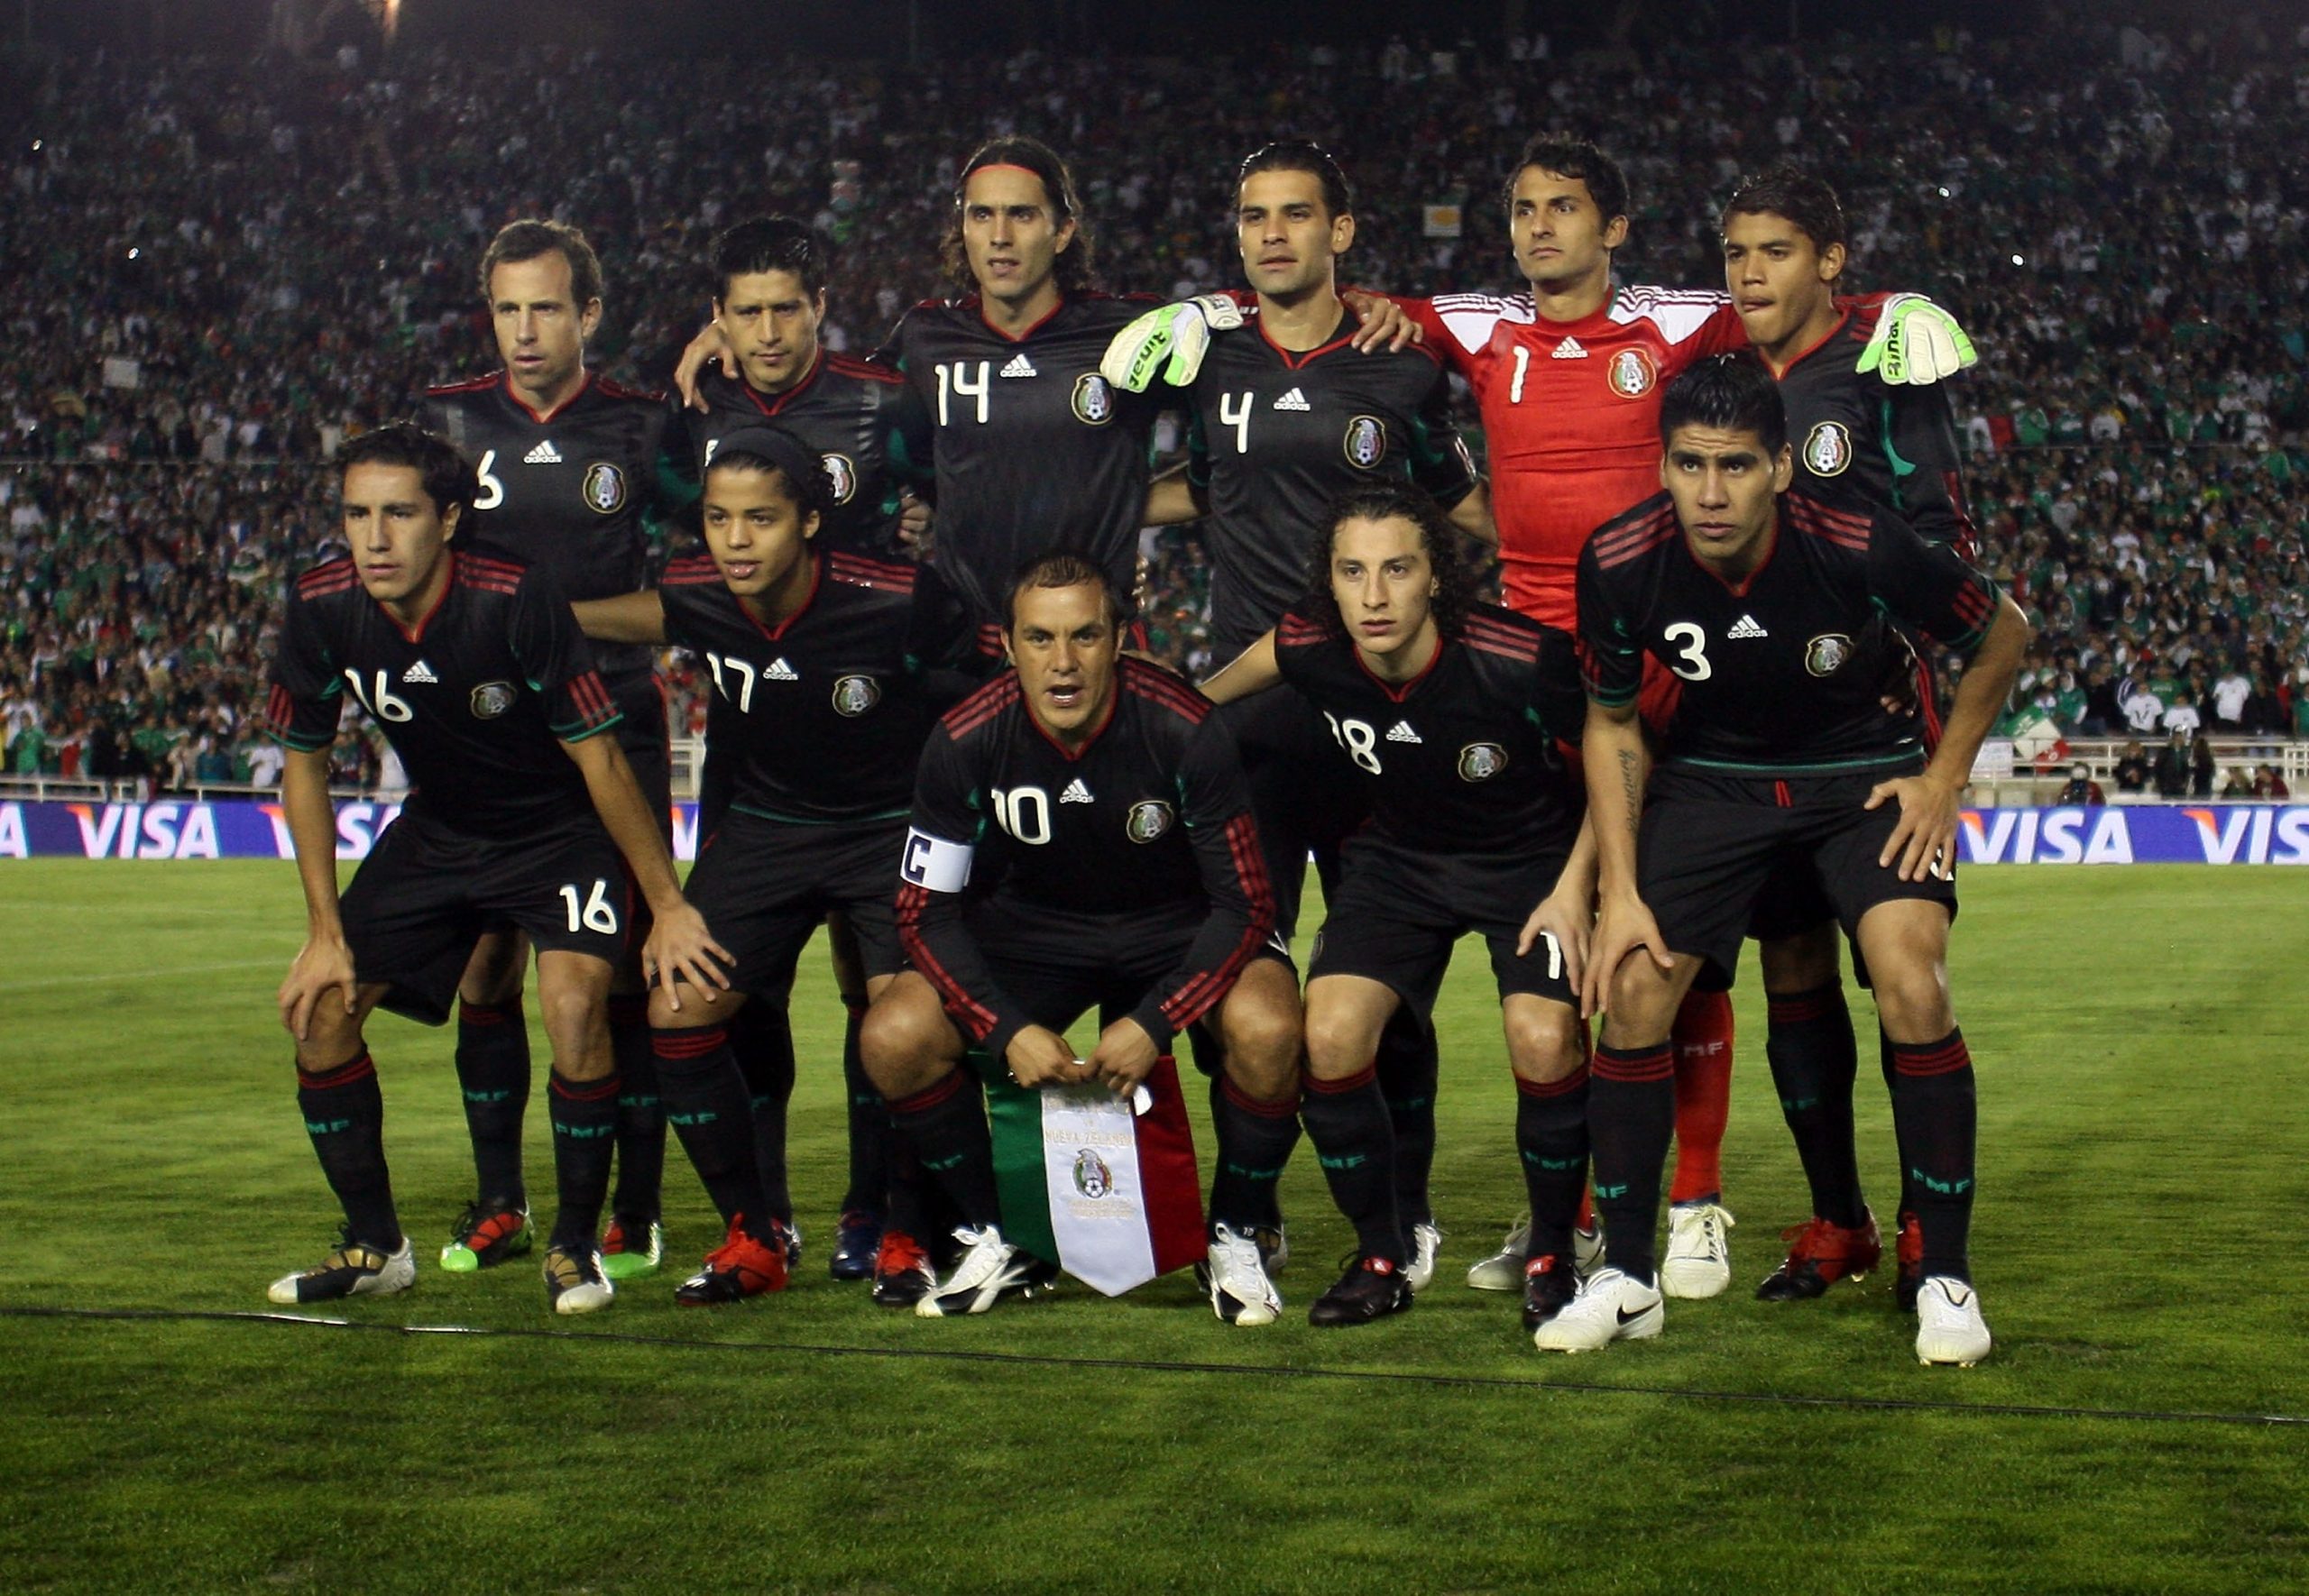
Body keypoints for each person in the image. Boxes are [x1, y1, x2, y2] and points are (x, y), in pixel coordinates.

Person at [1553, 353, 2027, 1366]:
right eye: (1688, 465)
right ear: (1663, 464)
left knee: (1913, 981)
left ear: (1780, 465)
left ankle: (1944, 1273)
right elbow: (1611, 723)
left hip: (1858, 776)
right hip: (1714, 782)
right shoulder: (1619, 558)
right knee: (1631, 990)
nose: (1710, 492)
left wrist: (1942, 778)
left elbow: (2000, 634)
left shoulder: (1855, 540)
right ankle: (1627, 1278)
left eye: (1734, 465)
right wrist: (1622, 891)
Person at [262, 425, 724, 1314]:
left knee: (575, 1005)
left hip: (559, 830)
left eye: (397, 514)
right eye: (357, 513)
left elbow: (602, 760)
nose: (373, 537)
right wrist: (325, 935)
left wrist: (665, 902)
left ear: (447, 519)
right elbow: (303, 761)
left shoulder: (515, 596)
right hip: (441, 829)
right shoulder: (321, 603)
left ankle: (574, 1246)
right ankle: (377, 1247)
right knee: (319, 1014)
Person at [1141, 139, 1493, 1289]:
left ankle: (1409, 1208)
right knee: (1232, 983)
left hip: (1373, 736)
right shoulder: (1205, 356)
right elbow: (1199, 480)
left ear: (1342, 231)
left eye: (1298, 214)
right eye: (1254, 216)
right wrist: (1109, 525)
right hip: (1248, 728)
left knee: (1378, 993)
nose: (1273, 233)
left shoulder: (1398, 366)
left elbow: (1456, 509)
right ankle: (1251, 1210)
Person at [571, 425, 972, 1303]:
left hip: (889, 829)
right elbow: (662, 613)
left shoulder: (900, 597)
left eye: (760, 519)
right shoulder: (700, 589)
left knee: (903, 1028)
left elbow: (991, 675)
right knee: (677, 1005)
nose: (736, 540)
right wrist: (552, 616)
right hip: (765, 828)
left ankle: (912, 1230)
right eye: (718, 519)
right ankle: (753, 1234)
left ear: (809, 523)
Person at [860, 555, 1303, 1323]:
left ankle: (1236, 1230)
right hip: (1029, 934)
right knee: (894, 1034)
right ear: (1007, 645)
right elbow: (923, 911)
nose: (1062, 662)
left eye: (1085, 636)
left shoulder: (1185, 727)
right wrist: (1006, 1029)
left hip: (1180, 926)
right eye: (1039, 638)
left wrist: (1154, 1021)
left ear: (1121, 638)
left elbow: (1248, 903)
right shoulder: (963, 739)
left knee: (1269, 1026)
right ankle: (999, 1234)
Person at [1200, 483, 1594, 1330]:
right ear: (1329, 583)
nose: (1374, 596)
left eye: (1396, 570)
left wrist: (1578, 886)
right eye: (1352, 572)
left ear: (1435, 580)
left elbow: (1615, 752)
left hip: (1529, 863)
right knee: (1331, 1034)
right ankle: (1382, 1255)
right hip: (1400, 862)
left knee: (1543, 1036)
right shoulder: (1309, 641)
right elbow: (1204, 700)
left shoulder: (1521, 657)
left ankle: (1559, 1253)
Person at [417, 219, 685, 1283]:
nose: (525, 331)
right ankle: (500, 1203)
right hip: (490, 744)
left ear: (589, 314)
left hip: (613, 729)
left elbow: (691, 588)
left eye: (546, 307)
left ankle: (639, 1209)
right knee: (486, 971)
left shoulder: (642, 428)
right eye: (506, 308)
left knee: (620, 976)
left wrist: (551, 619)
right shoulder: (447, 422)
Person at [676, 215, 940, 1280]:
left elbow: (944, 503)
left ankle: (870, 1209)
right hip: (752, 736)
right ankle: (764, 1211)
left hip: (876, 717)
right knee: (749, 986)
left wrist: (919, 529)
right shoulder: (693, 407)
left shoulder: (883, 399)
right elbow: (665, 537)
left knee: (872, 990)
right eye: (748, 311)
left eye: (788, 306)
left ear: (821, 307)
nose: (771, 330)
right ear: (719, 321)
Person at [684, 138, 1164, 663]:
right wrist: (725, 333)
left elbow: (1241, 417)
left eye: (1021, 214)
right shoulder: (926, 335)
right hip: (966, 646)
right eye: (982, 215)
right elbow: (831, 400)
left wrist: (1123, 516)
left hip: (1092, 644)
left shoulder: (1132, 331)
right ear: (963, 227)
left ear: (1063, 231)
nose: (999, 236)